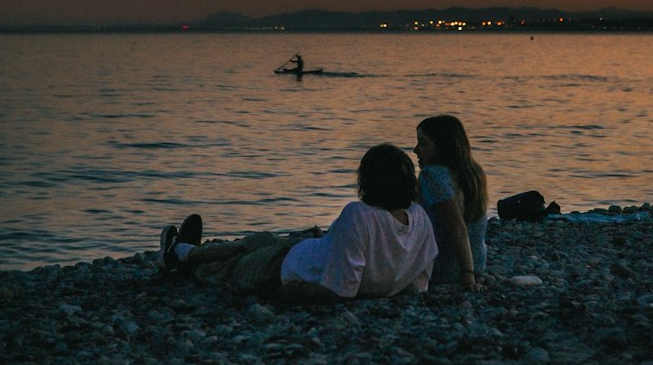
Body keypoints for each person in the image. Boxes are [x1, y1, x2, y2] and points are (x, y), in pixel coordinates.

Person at [158, 143, 437, 302]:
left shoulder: (359, 215)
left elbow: (340, 290)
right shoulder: (419, 217)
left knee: (230, 268)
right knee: (259, 240)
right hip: (310, 251)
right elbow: (420, 279)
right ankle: (185, 251)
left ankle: (182, 261)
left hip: (286, 269)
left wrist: (289, 292)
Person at [414, 114, 488, 291]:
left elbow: (457, 225)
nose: (415, 150)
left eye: (423, 144)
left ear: (443, 147)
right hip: (478, 262)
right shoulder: (473, 172)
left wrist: (467, 275)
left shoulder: (432, 175)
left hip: (444, 269)